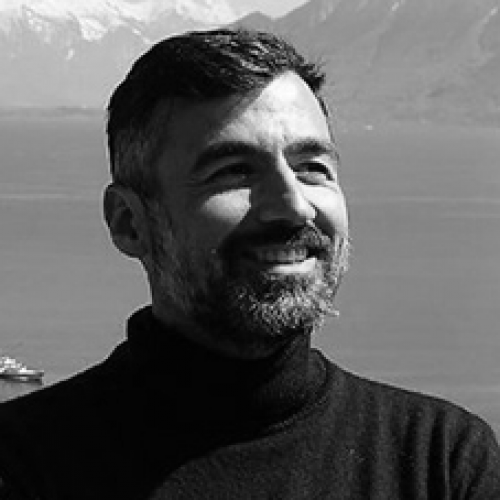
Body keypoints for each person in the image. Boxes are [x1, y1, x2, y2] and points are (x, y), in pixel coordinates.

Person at [0, 28, 499, 500]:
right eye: (234, 171)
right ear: (129, 223)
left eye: (312, 169)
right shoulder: (23, 466)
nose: (294, 206)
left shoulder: (439, 462)